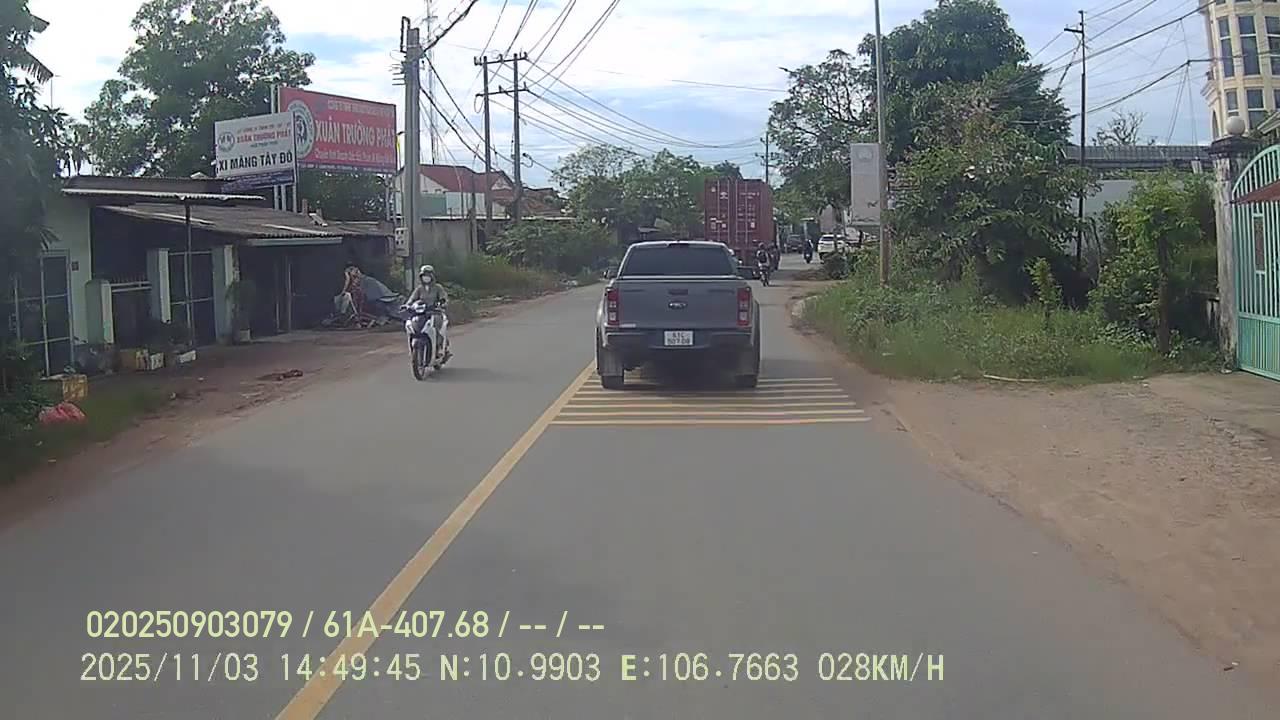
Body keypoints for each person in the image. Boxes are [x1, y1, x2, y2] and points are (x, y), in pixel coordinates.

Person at [405, 264, 451, 358]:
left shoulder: (438, 288)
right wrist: (407, 305)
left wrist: (442, 304)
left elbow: (444, 299)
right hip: (421, 314)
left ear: (432, 276)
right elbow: (412, 299)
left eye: (428, 275)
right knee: (413, 325)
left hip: (435, 313)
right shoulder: (419, 288)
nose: (426, 278)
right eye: (424, 276)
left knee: (435, 327)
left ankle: (438, 347)